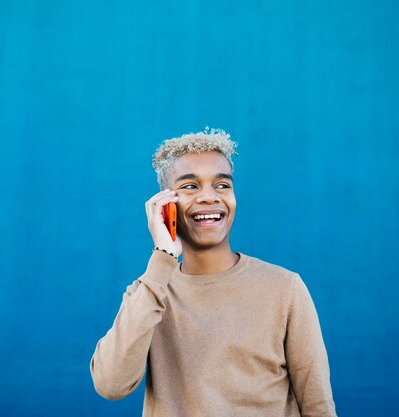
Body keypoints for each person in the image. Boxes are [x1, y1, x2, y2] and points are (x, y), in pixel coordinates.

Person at [90, 128, 337, 417]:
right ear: (164, 205)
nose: (209, 197)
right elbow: (110, 384)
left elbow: (318, 406)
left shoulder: (285, 288)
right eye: (190, 186)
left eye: (222, 185)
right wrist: (163, 257)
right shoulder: (148, 293)